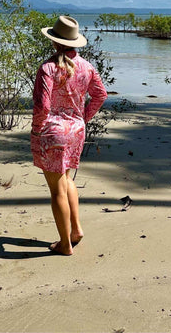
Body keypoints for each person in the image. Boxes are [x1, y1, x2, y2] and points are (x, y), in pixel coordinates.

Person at [31, 15, 107, 256]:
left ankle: (65, 244)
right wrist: (83, 118)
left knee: (57, 190)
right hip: (76, 131)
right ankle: (76, 230)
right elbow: (100, 95)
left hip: (52, 132)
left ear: (54, 41)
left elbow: (42, 107)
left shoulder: (48, 68)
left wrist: (36, 129)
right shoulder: (87, 67)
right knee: (67, 180)